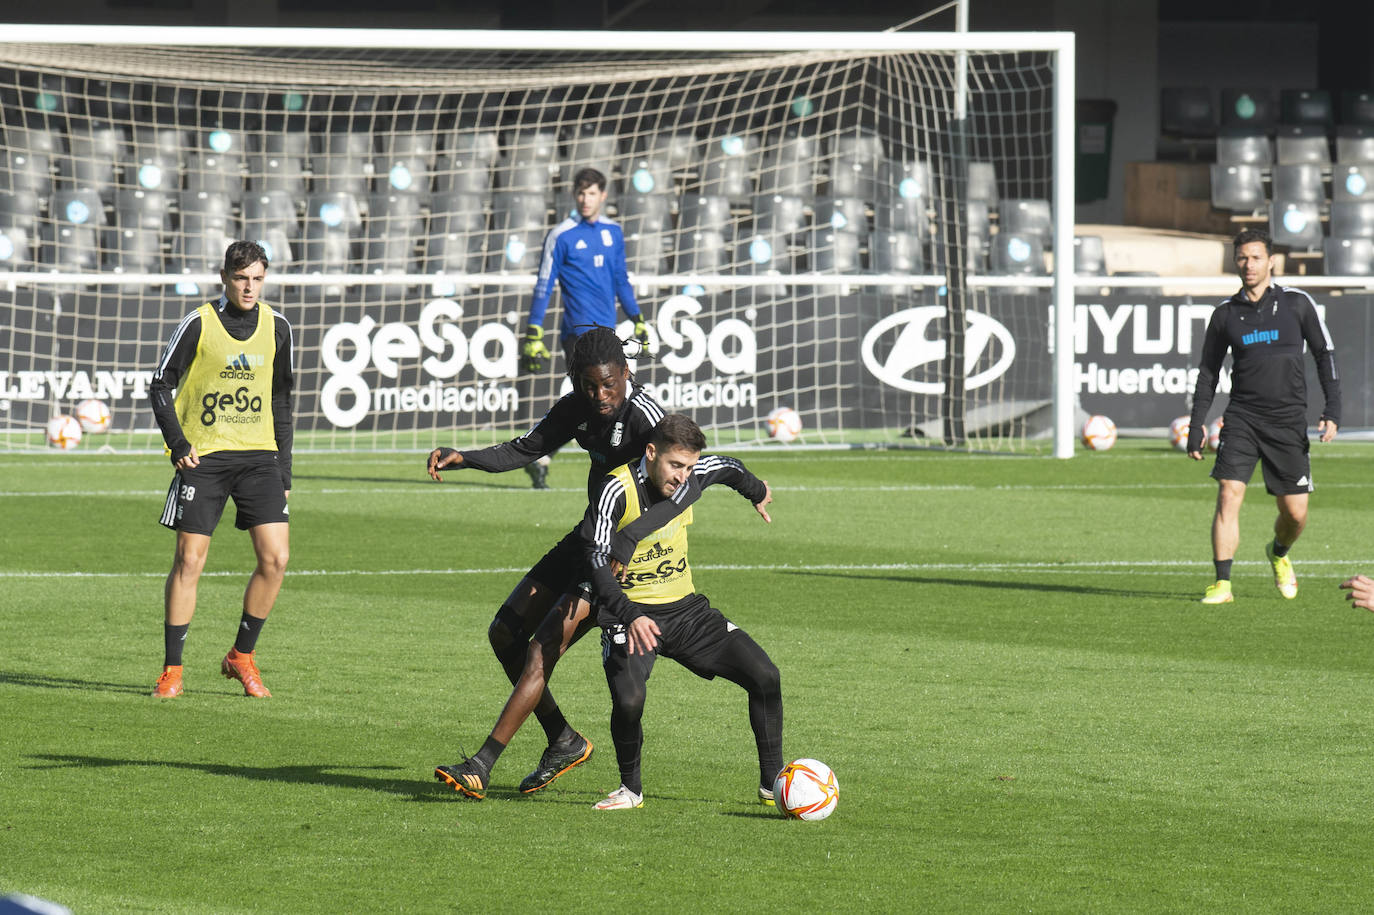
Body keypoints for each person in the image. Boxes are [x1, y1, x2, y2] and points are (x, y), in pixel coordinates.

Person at [429, 326, 664, 797]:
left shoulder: (648, 419)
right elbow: (526, 448)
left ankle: (481, 764)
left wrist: (625, 547)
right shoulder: (577, 407)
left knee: (540, 649)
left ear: (626, 373)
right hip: (586, 540)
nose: (600, 395)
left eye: (609, 384)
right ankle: (563, 739)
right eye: (590, 385)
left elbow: (679, 484)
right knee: (504, 633)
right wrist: (466, 458)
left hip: (619, 560)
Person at [581, 413, 781, 810]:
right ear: (651, 453)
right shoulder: (616, 490)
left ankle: (772, 784)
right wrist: (628, 613)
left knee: (765, 676)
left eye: (689, 467)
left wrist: (756, 490)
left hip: (687, 611)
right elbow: (594, 559)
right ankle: (630, 790)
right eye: (675, 466)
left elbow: (728, 467)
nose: (683, 476)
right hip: (630, 613)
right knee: (630, 701)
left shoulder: (692, 474)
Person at [148, 240, 294, 698]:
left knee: (276, 559)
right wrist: (178, 443)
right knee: (189, 561)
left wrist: (285, 474)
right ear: (224, 277)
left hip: (259, 457)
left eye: (257, 279)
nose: (249, 287)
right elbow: (160, 383)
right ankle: (173, 670)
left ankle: (241, 657)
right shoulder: (199, 322)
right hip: (205, 459)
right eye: (240, 278)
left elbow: (282, 401)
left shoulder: (278, 327)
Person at [1187, 227, 1340, 605]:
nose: (1248, 264)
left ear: (1271, 261)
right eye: (1242, 257)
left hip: (1287, 422)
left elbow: (1325, 355)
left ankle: (1279, 552)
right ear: (1235, 261)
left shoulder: (1297, 304)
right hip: (1242, 418)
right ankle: (1222, 583)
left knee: (1295, 512)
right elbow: (1208, 373)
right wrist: (1196, 425)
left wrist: (1332, 409)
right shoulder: (1225, 314)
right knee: (1228, 492)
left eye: (1256, 257)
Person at [518, 166, 649, 489]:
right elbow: (543, 284)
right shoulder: (561, 235)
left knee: (598, 407)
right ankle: (624, 471)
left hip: (609, 333)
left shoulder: (613, 233)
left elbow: (621, 279)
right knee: (612, 402)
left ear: (603, 196)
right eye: (580, 193)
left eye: (591, 193)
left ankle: (541, 455)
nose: (585, 199)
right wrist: (534, 329)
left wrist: (637, 318)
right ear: (573, 195)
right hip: (578, 334)